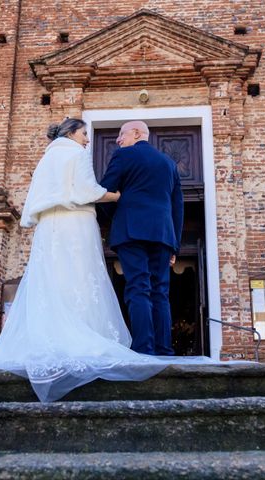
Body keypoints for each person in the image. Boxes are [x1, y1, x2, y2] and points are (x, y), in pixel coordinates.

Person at [0, 118, 167, 402]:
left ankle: (52, 336)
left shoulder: (46, 158)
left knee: (52, 279)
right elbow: (86, 191)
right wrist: (114, 195)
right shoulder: (77, 154)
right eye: (85, 134)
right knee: (80, 278)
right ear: (72, 133)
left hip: (49, 228)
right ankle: (81, 335)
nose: (87, 140)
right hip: (75, 225)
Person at [100, 121, 183, 355]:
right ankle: (164, 349)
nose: (118, 140)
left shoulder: (123, 156)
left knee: (138, 287)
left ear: (137, 133)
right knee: (160, 291)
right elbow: (178, 206)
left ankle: (144, 349)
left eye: (121, 134)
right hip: (163, 234)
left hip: (131, 230)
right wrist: (174, 244)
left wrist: (117, 217)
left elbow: (105, 192)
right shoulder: (169, 163)